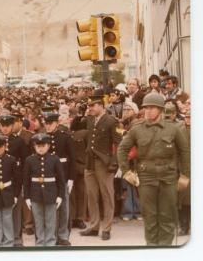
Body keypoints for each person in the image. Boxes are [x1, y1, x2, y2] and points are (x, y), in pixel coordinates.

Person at [117, 93, 190, 245]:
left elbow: (185, 152)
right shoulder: (137, 129)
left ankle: (165, 251)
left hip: (168, 178)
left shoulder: (174, 129)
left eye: (152, 108)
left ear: (161, 110)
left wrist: (185, 175)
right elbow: (122, 149)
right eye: (146, 108)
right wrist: (126, 172)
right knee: (150, 218)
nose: (148, 111)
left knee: (167, 217)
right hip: (146, 178)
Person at [80, 92, 122, 241]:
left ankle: (107, 228)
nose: (89, 108)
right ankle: (94, 225)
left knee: (107, 195)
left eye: (92, 105)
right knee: (91, 194)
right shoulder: (90, 120)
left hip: (104, 163)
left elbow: (119, 143)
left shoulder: (111, 121)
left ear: (100, 105)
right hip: (90, 161)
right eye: (89, 105)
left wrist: (115, 162)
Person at [23, 133, 66, 246]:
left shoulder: (55, 159)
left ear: (48, 146)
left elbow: (61, 180)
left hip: (51, 194)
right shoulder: (29, 160)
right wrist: (27, 197)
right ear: (34, 147)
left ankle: (50, 243)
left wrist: (60, 196)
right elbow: (26, 181)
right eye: (38, 146)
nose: (41, 148)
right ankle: (40, 243)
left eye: (43, 146)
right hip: (35, 195)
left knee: (50, 221)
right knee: (38, 221)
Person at [43, 111, 76, 245]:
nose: (48, 126)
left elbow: (72, 159)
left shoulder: (65, 137)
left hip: (63, 176)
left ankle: (63, 236)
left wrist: (71, 179)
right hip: (49, 177)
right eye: (46, 124)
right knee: (50, 207)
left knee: (64, 208)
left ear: (56, 123)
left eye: (50, 123)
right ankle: (52, 234)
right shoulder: (42, 138)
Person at [0, 114, 29, 247]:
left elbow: (25, 161)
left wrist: (22, 180)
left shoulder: (19, 141)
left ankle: (16, 238)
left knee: (15, 210)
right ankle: (4, 237)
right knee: (1, 210)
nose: (5, 129)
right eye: (2, 126)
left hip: (14, 180)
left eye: (7, 126)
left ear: (12, 126)